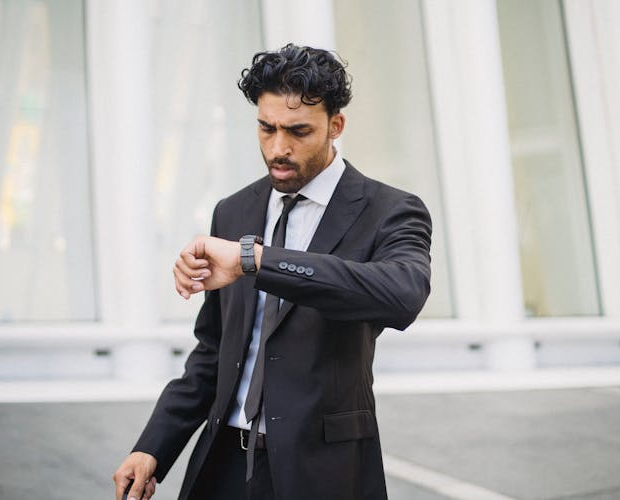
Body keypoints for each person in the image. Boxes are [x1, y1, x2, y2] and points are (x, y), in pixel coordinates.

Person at [113, 43, 432, 500]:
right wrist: (153, 448)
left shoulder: (390, 210)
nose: (279, 148)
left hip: (323, 474)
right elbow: (213, 352)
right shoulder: (233, 210)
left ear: (335, 126)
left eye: (298, 131)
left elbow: (402, 295)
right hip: (221, 466)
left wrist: (255, 261)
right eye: (267, 129)